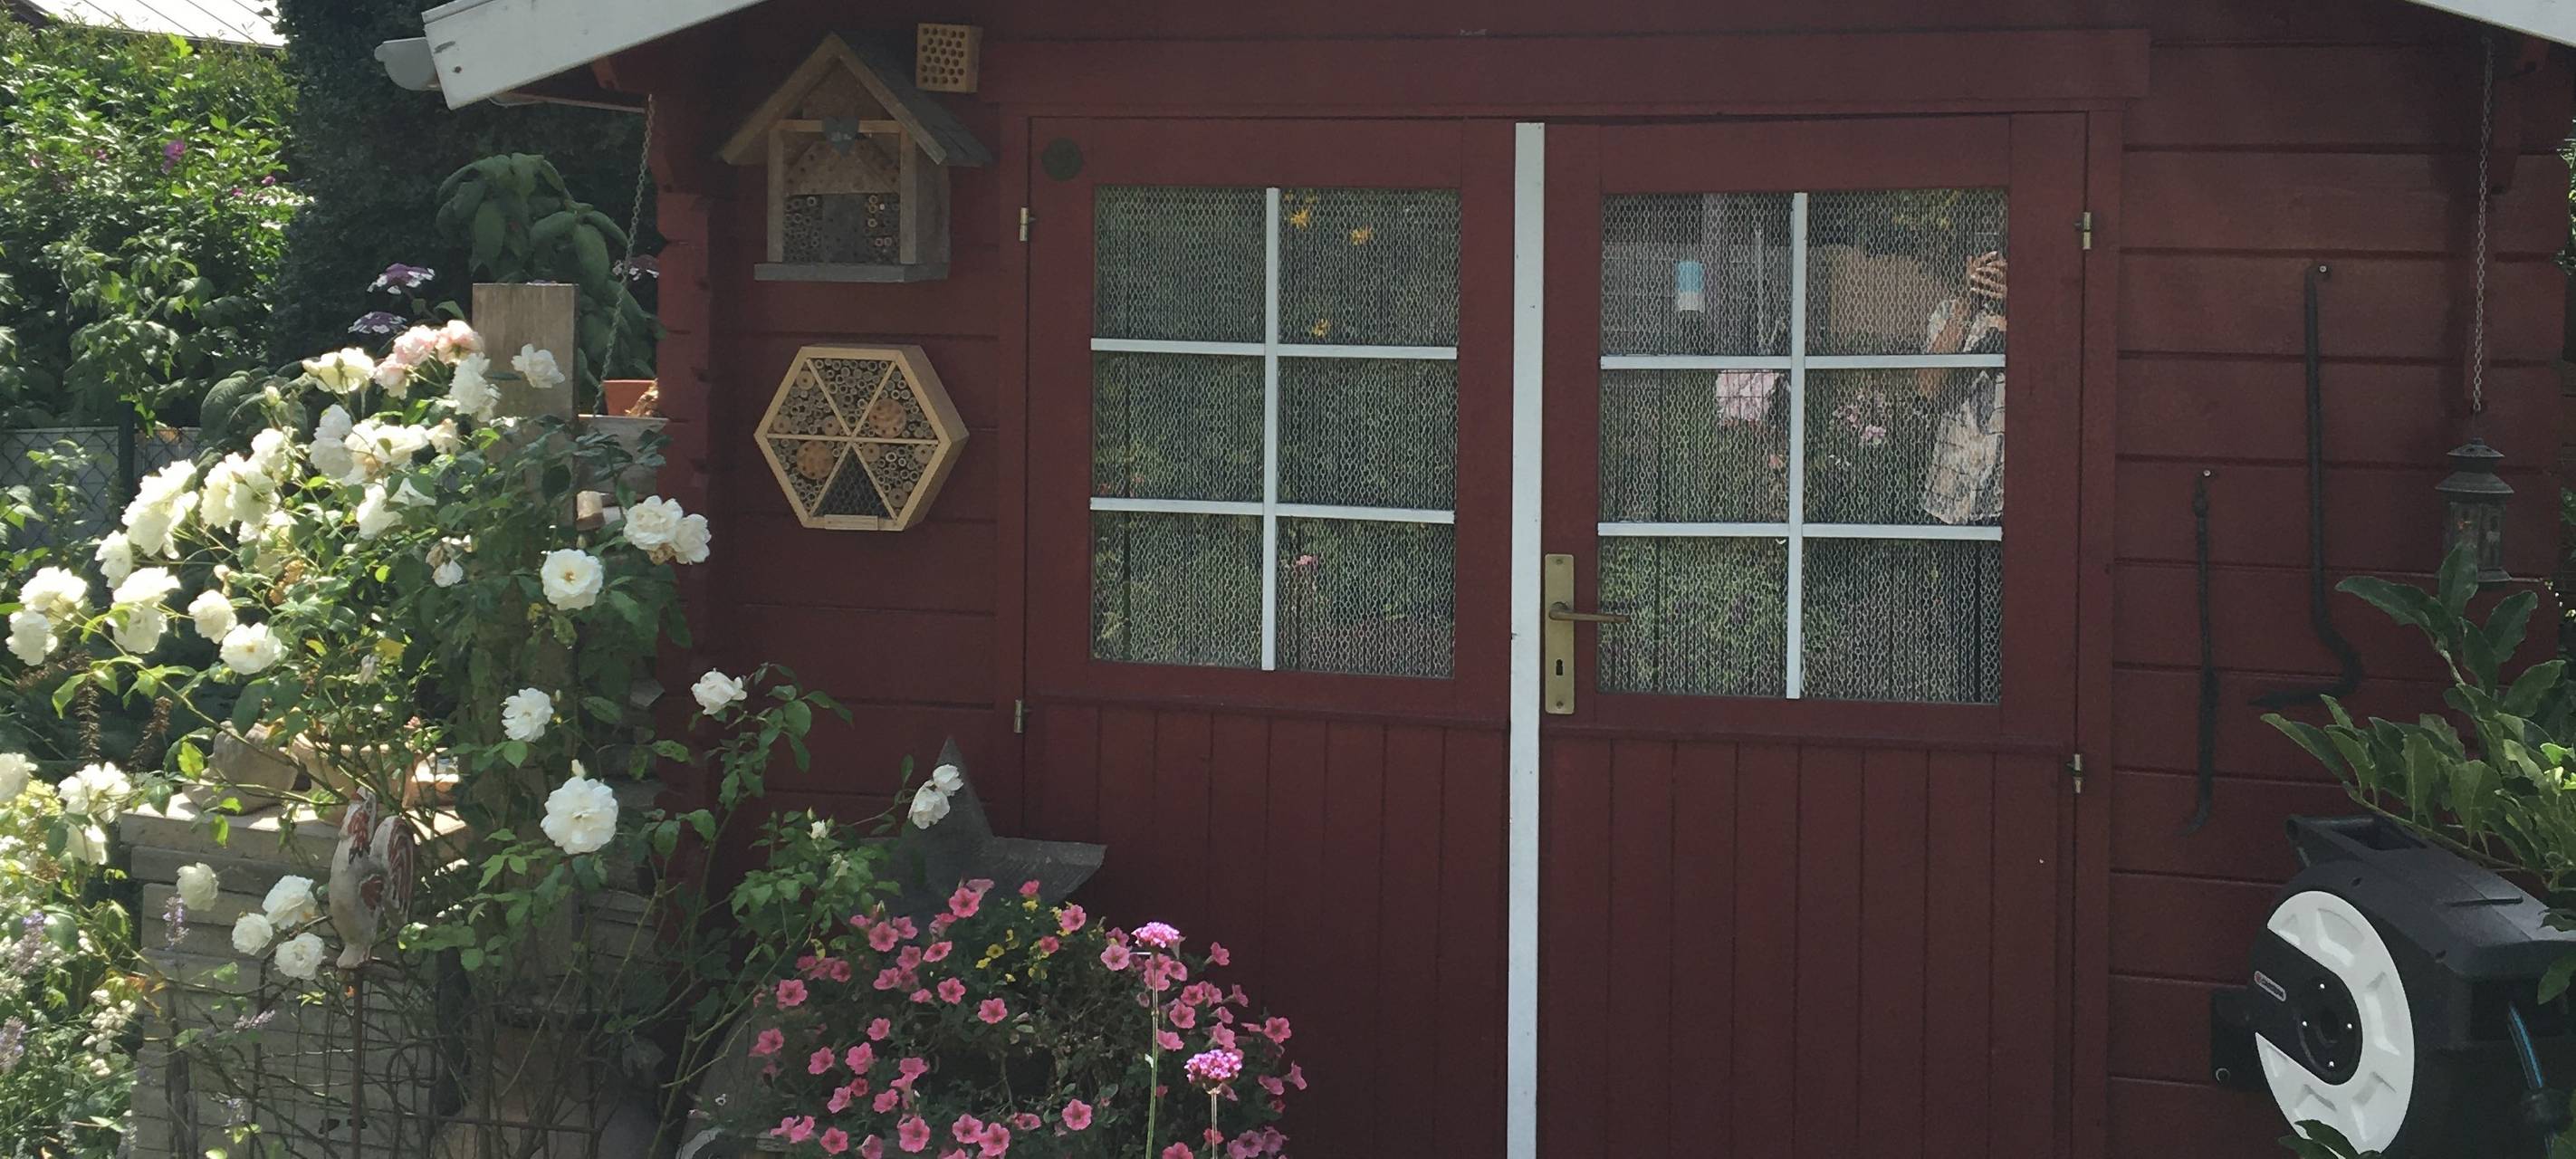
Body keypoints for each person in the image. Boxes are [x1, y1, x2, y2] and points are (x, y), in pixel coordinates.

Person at [1917, 250, 2006, 526]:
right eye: (1982, 258)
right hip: (1953, 492)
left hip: (2007, 492)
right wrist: (1968, 304)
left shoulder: (2035, 314)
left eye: (1998, 258)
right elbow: (1927, 389)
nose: (1989, 267)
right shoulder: (1949, 312)